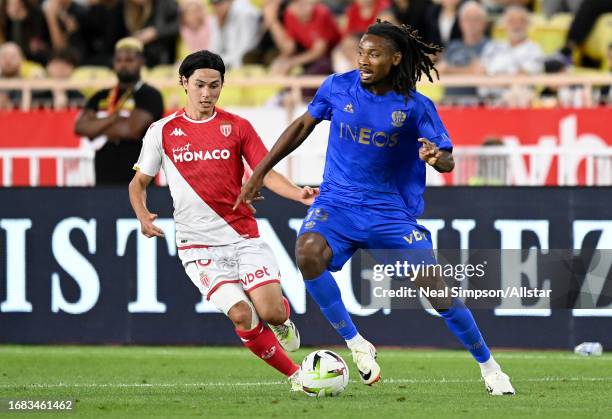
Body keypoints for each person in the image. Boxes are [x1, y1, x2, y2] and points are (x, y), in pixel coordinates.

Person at [236, 21, 516, 395]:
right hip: (337, 203)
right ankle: (355, 343)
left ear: (396, 59)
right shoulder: (337, 87)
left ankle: (490, 368)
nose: (364, 60)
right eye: (361, 52)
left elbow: (447, 158)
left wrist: (437, 158)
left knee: (437, 291)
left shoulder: (416, 107)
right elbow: (302, 126)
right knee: (307, 253)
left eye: (374, 54)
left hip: (389, 212)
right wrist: (261, 171)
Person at [128, 50, 318, 391]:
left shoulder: (238, 127)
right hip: (197, 245)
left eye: (214, 86)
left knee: (271, 312)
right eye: (199, 85)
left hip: (242, 236)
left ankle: (281, 320)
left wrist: (297, 194)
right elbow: (138, 183)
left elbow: (265, 172)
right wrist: (143, 214)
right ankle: (296, 377)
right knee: (242, 315)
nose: (206, 93)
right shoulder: (162, 131)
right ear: (184, 83)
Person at [74, 37, 163, 184]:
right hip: (104, 179)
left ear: (141, 61)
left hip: (139, 181)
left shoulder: (150, 94)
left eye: (129, 60)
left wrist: (96, 126)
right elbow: (80, 127)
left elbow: (131, 130)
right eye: (119, 60)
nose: (123, 64)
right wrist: (113, 118)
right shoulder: (100, 95)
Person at [208, 0, 260, 69]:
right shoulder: (216, 18)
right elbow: (214, 49)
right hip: (231, 62)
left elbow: (247, 48)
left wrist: (220, 63)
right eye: (213, 4)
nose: (215, 7)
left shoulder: (245, 14)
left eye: (219, 3)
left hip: (255, 58)